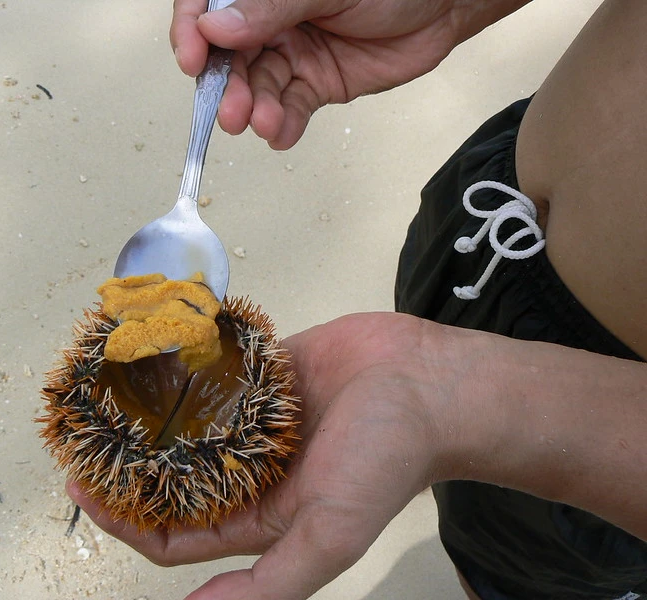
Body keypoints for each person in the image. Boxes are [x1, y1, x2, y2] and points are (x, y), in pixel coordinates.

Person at [67, 0, 647, 598]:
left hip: (603, 430)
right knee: (478, 523)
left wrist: (474, 404)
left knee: (515, 570)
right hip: (489, 202)